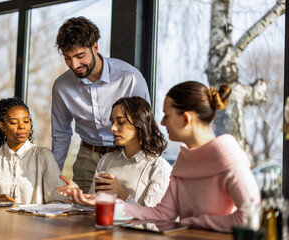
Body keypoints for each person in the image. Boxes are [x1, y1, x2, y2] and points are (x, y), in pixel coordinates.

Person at [63, 81, 261, 233]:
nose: (162, 122)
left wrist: (190, 223)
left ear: (186, 119)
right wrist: (105, 204)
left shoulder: (228, 156)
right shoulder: (185, 159)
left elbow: (252, 218)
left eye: (167, 115)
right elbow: (162, 214)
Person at [52, 17, 151, 193]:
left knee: (126, 213)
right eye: (68, 58)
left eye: (80, 56)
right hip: (87, 158)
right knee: (82, 214)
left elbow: (145, 126)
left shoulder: (130, 78)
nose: (74, 65)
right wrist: (53, 175)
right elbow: (61, 134)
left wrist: (148, 166)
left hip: (126, 156)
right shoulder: (62, 86)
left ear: (95, 47)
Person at [56, 97, 172, 207]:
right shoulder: (107, 160)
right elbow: (94, 207)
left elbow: (153, 223)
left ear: (140, 123)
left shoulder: (159, 168)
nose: (113, 128)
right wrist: (81, 197)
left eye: (120, 122)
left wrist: (122, 194)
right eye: (112, 122)